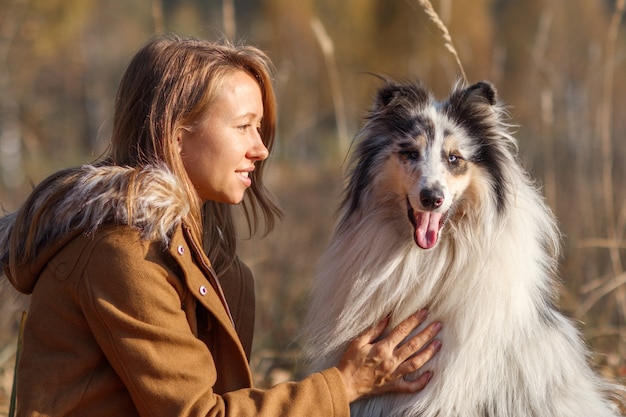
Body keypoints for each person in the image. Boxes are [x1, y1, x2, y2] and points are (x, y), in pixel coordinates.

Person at [0, 33, 442, 416]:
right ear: (175, 133)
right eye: (244, 126)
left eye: (262, 128)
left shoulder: (206, 258)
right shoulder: (120, 254)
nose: (261, 149)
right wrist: (344, 385)